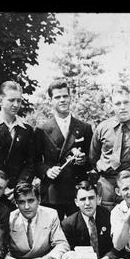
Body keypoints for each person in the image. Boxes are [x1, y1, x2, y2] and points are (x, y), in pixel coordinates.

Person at [35, 79, 93, 221]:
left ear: (70, 98)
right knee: (52, 234)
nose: (62, 100)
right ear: (50, 101)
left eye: (65, 96)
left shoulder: (84, 128)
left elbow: (91, 160)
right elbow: (34, 161)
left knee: (78, 233)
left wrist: (83, 160)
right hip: (52, 192)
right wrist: (47, 170)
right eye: (57, 97)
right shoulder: (42, 129)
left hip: (77, 191)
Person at [90, 85, 130, 210]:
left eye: (126, 102)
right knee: (106, 222)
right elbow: (93, 157)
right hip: (107, 186)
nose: (122, 107)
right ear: (112, 106)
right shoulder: (102, 128)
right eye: (118, 103)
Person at [0, 81, 35, 209]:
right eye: (11, 100)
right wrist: (2, 188)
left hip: (17, 195)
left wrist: (18, 188)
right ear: (0, 100)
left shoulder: (27, 130)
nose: (16, 105)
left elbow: (30, 163)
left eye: (19, 101)